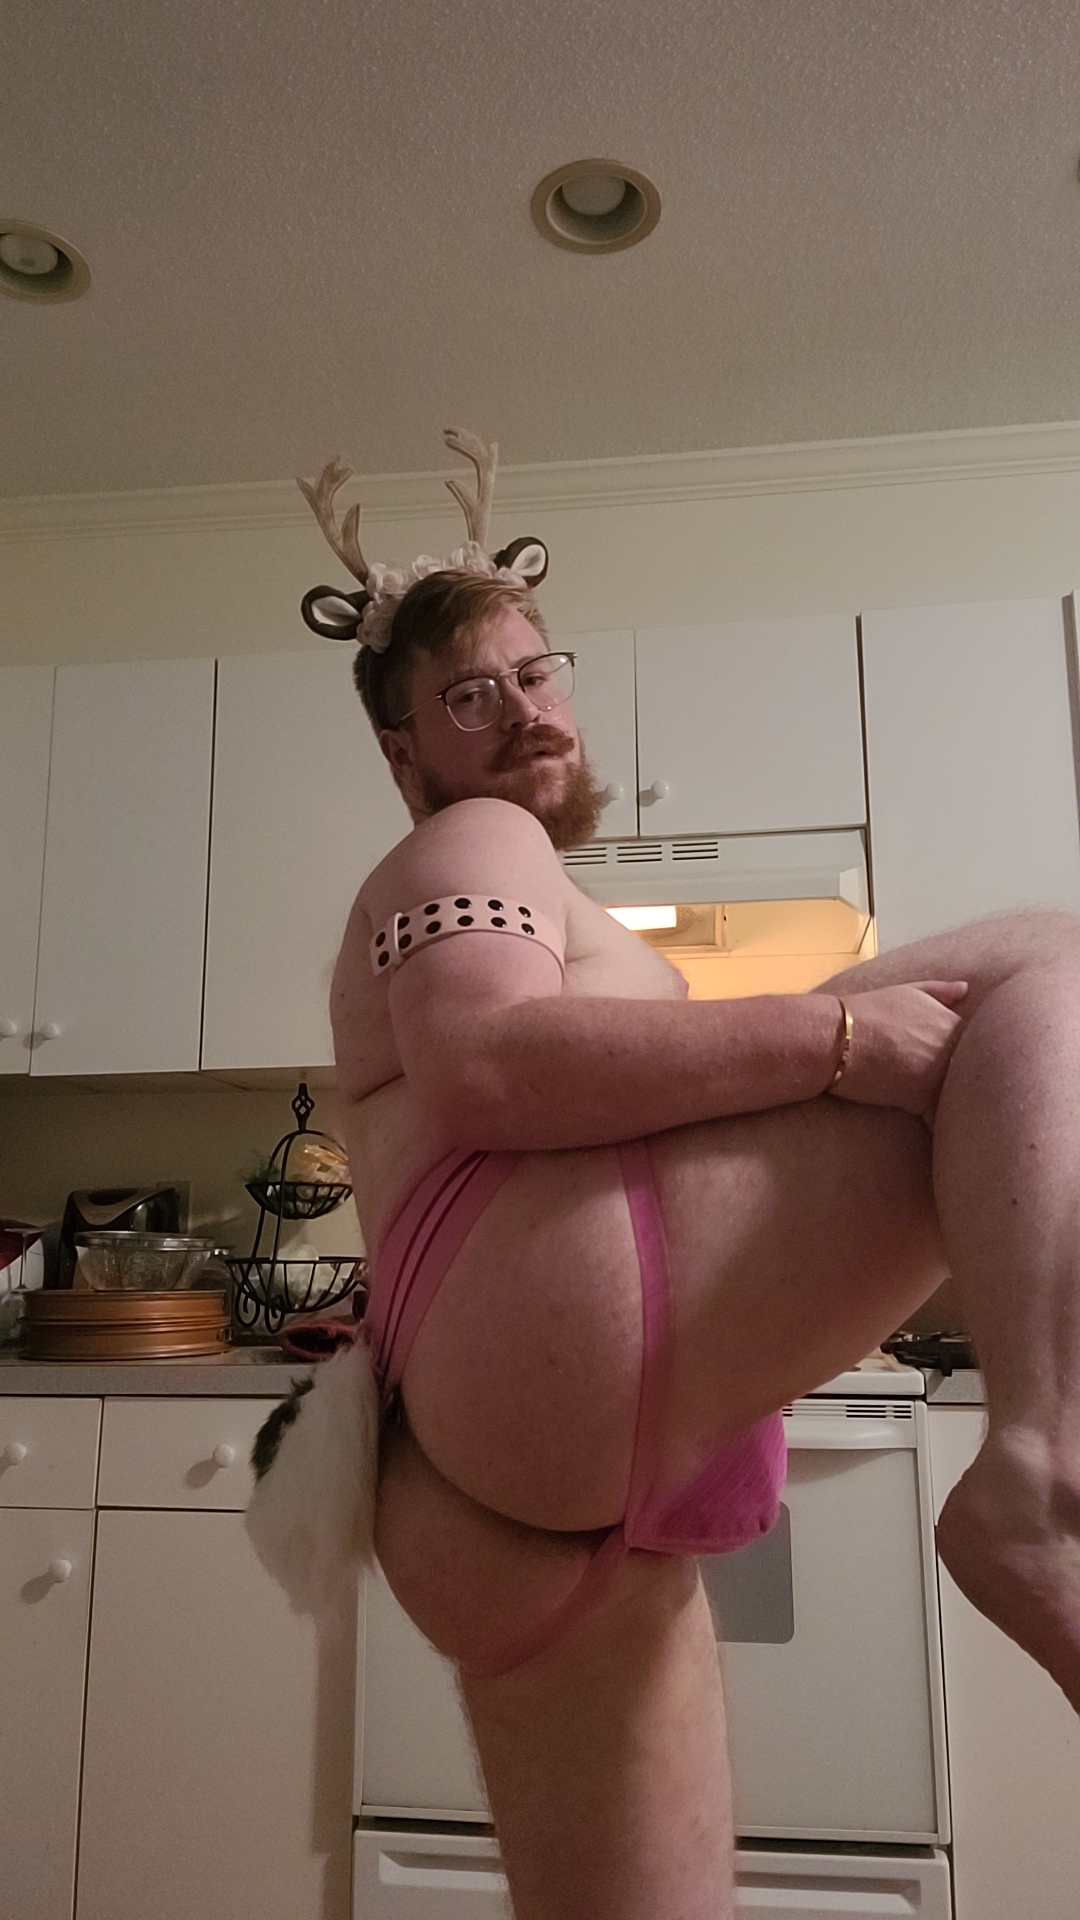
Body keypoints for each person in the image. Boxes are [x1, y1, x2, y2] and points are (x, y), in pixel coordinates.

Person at [300, 437, 1080, 1920]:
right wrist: (837, 1038)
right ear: (405, 754)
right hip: (522, 1341)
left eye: (537, 672)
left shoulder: (540, 890)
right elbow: (487, 1067)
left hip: (493, 1465)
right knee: (1043, 964)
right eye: (469, 694)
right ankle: (1045, 1478)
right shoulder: (477, 839)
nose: (524, 710)